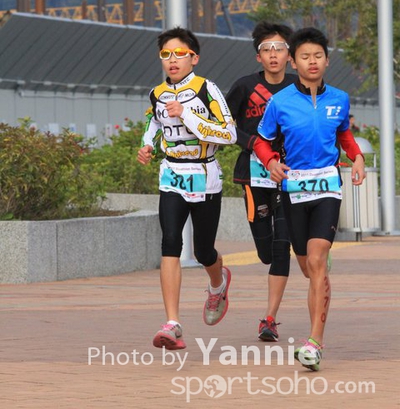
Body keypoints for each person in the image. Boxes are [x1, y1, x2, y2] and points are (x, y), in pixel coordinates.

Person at [254, 27, 365, 371]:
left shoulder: (339, 99)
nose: (312, 61)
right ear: (294, 62)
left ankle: (314, 342)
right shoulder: (280, 102)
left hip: (328, 186)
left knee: (317, 260)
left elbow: (344, 134)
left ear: (327, 61)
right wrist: (271, 163)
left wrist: (357, 157)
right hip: (294, 189)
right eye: (305, 56)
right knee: (307, 266)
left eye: (318, 56)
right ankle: (318, 269)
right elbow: (261, 141)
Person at [137, 27, 237, 351]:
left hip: (205, 174)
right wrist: (147, 146)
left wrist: (189, 115)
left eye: (179, 54)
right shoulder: (156, 94)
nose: (172, 60)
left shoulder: (206, 89)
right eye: (166, 54)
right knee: (170, 242)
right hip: (172, 174)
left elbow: (229, 133)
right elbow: (154, 123)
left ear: (194, 58)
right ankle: (172, 323)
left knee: (203, 251)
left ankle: (218, 283)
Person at [225, 22, 296, 342]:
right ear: (258, 56)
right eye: (267, 49)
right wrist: (252, 142)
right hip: (254, 174)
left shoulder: (299, 86)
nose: (273, 54)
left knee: (282, 247)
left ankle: (269, 319)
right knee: (266, 251)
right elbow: (224, 126)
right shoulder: (244, 87)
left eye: (279, 48)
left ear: (289, 55)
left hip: (291, 174)